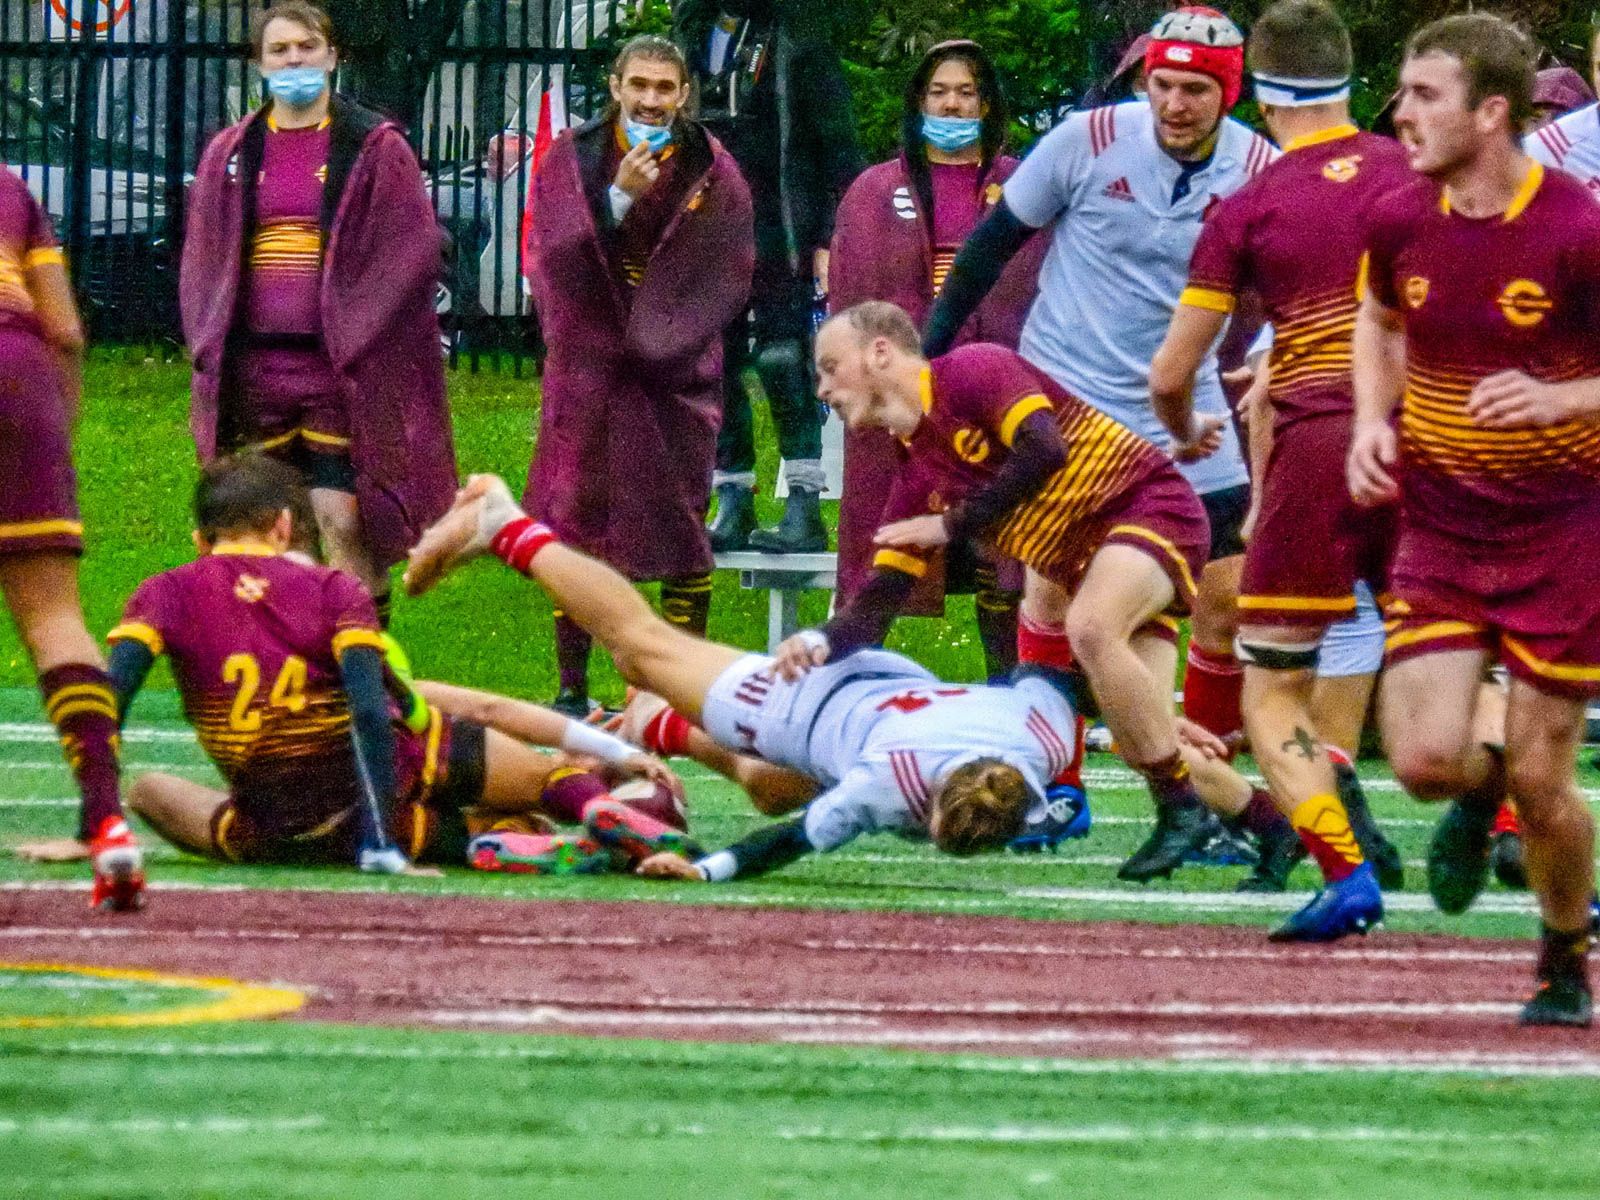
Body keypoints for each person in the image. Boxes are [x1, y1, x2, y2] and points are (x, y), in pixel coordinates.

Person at [775, 303, 1302, 908]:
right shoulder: (916, 470)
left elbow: (1043, 448)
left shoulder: (972, 369)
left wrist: (952, 525)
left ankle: (1180, 811)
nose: (822, 388)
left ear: (880, 352)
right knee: (1146, 736)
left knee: (1091, 627)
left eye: (829, 367)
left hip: (1147, 507)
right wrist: (816, 642)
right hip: (1097, 563)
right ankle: (1274, 829)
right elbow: (878, 605)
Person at [403, 474, 1088, 877]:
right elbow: (787, 845)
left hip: (889, 684)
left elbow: (1052, 673)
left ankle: (655, 721)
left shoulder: (1045, 738)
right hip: (802, 709)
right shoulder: (889, 782)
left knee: (770, 788)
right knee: (641, 648)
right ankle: (505, 525)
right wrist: (703, 871)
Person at [923, 6, 1277, 757]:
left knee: (1223, 596)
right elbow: (989, 247)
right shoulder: (1087, 139)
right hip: (1072, 398)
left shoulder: (1257, 168)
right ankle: (1058, 780)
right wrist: (932, 357)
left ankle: (1205, 780)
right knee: (1053, 592)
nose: (1174, 104)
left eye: (1195, 90)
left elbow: (1301, 280)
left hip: (1185, 411)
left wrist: (1276, 349)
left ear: (1229, 93)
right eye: (1161, 84)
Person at [1347, 13, 1598, 1026]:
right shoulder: (1399, 220)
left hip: (1563, 533)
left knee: (1545, 780)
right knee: (1419, 763)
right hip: (1442, 528)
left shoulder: (1575, 229)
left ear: (1491, 113)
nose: (1402, 115)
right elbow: (1378, 320)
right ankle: (1474, 790)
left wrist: (1560, 399)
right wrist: (1372, 422)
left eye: (1425, 96)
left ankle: (1562, 957)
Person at [1147, 0, 1411, 929]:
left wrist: (1184, 428)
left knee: (1273, 686)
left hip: (1315, 439)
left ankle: (1343, 871)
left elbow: (1172, 372)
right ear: (1355, 82)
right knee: (1468, 658)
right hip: (1434, 430)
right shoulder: (1418, 171)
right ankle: (1510, 822)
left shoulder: (1250, 204)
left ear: (1255, 95)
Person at [95, 455, 675, 874]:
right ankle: (587, 804)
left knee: (147, 790)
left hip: (272, 828)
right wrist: (609, 754)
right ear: (285, 526)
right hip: (380, 800)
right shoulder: (335, 593)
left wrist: (92, 822)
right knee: (532, 779)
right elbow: (430, 709)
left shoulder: (165, 591)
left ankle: (485, 838)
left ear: (200, 540)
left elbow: (106, 701)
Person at [179, 2, 458, 623]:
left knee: (344, 518)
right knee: (272, 526)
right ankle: (294, 657)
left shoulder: (374, 147)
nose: (295, 61)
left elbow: (412, 250)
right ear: (259, 64)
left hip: (339, 370)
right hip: (255, 371)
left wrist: (360, 329)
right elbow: (203, 255)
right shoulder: (232, 150)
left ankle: (365, 666)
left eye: (307, 47)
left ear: (333, 55)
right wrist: (206, 339)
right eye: (279, 50)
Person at [521, 34, 753, 718]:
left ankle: (681, 694)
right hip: (590, 367)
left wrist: (670, 330)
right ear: (616, 86)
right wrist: (617, 200)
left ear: (684, 94)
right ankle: (572, 688)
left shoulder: (711, 167)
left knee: (679, 523)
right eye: (639, 85)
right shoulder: (575, 157)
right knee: (577, 523)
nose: (651, 100)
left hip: (675, 370)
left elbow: (728, 264)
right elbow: (551, 252)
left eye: (665, 87)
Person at [829, 39, 1045, 687]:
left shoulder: (1025, 186)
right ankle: (848, 680)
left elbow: (1041, 288)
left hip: (993, 392)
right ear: (918, 102)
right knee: (887, 541)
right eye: (939, 93)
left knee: (1003, 542)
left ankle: (1010, 684)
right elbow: (850, 296)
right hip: (900, 399)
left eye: (966, 93)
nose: (952, 105)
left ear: (987, 105)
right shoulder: (874, 191)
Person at [4, 165, 143, 911]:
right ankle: (105, 819)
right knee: (54, 616)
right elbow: (63, 331)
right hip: (19, 377)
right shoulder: (9, 187)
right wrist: (56, 432)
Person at [679, 1, 863, 553]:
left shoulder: (798, 36)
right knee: (716, 360)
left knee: (783, 358)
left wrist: (829, 235)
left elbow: (840, 148)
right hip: (710, 228)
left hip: (781, 226)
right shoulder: (696, 31)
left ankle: (804, 502)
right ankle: (732, 497)